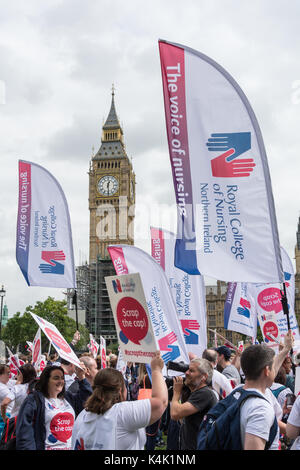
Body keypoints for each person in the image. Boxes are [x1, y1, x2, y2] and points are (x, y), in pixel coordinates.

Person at [71, 351, 168, 450]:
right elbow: (161, 402)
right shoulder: (121, 413)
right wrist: (156, 369)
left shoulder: (82, 415)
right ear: (120, 391)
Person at [15, 364, 91, 450]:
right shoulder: (34, 400)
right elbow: (24, 433)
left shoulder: (68, 398)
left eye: (62, 378)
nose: (60, 381)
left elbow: (87, 401)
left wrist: (82, 377)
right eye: (56, 378)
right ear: (46, 380)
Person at [170, 358, 218, 450]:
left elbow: (175, 414)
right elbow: (182, 420)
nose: (186, 373)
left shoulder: (205, 393)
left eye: (191, 371)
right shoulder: (195, 392)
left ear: (204, 377)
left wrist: (176, 392)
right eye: (187, 369)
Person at [0, 364, 11, 436]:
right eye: (8, 373)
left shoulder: (5, 384)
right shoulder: (1, 388)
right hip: (4, 418)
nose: (9, 375)